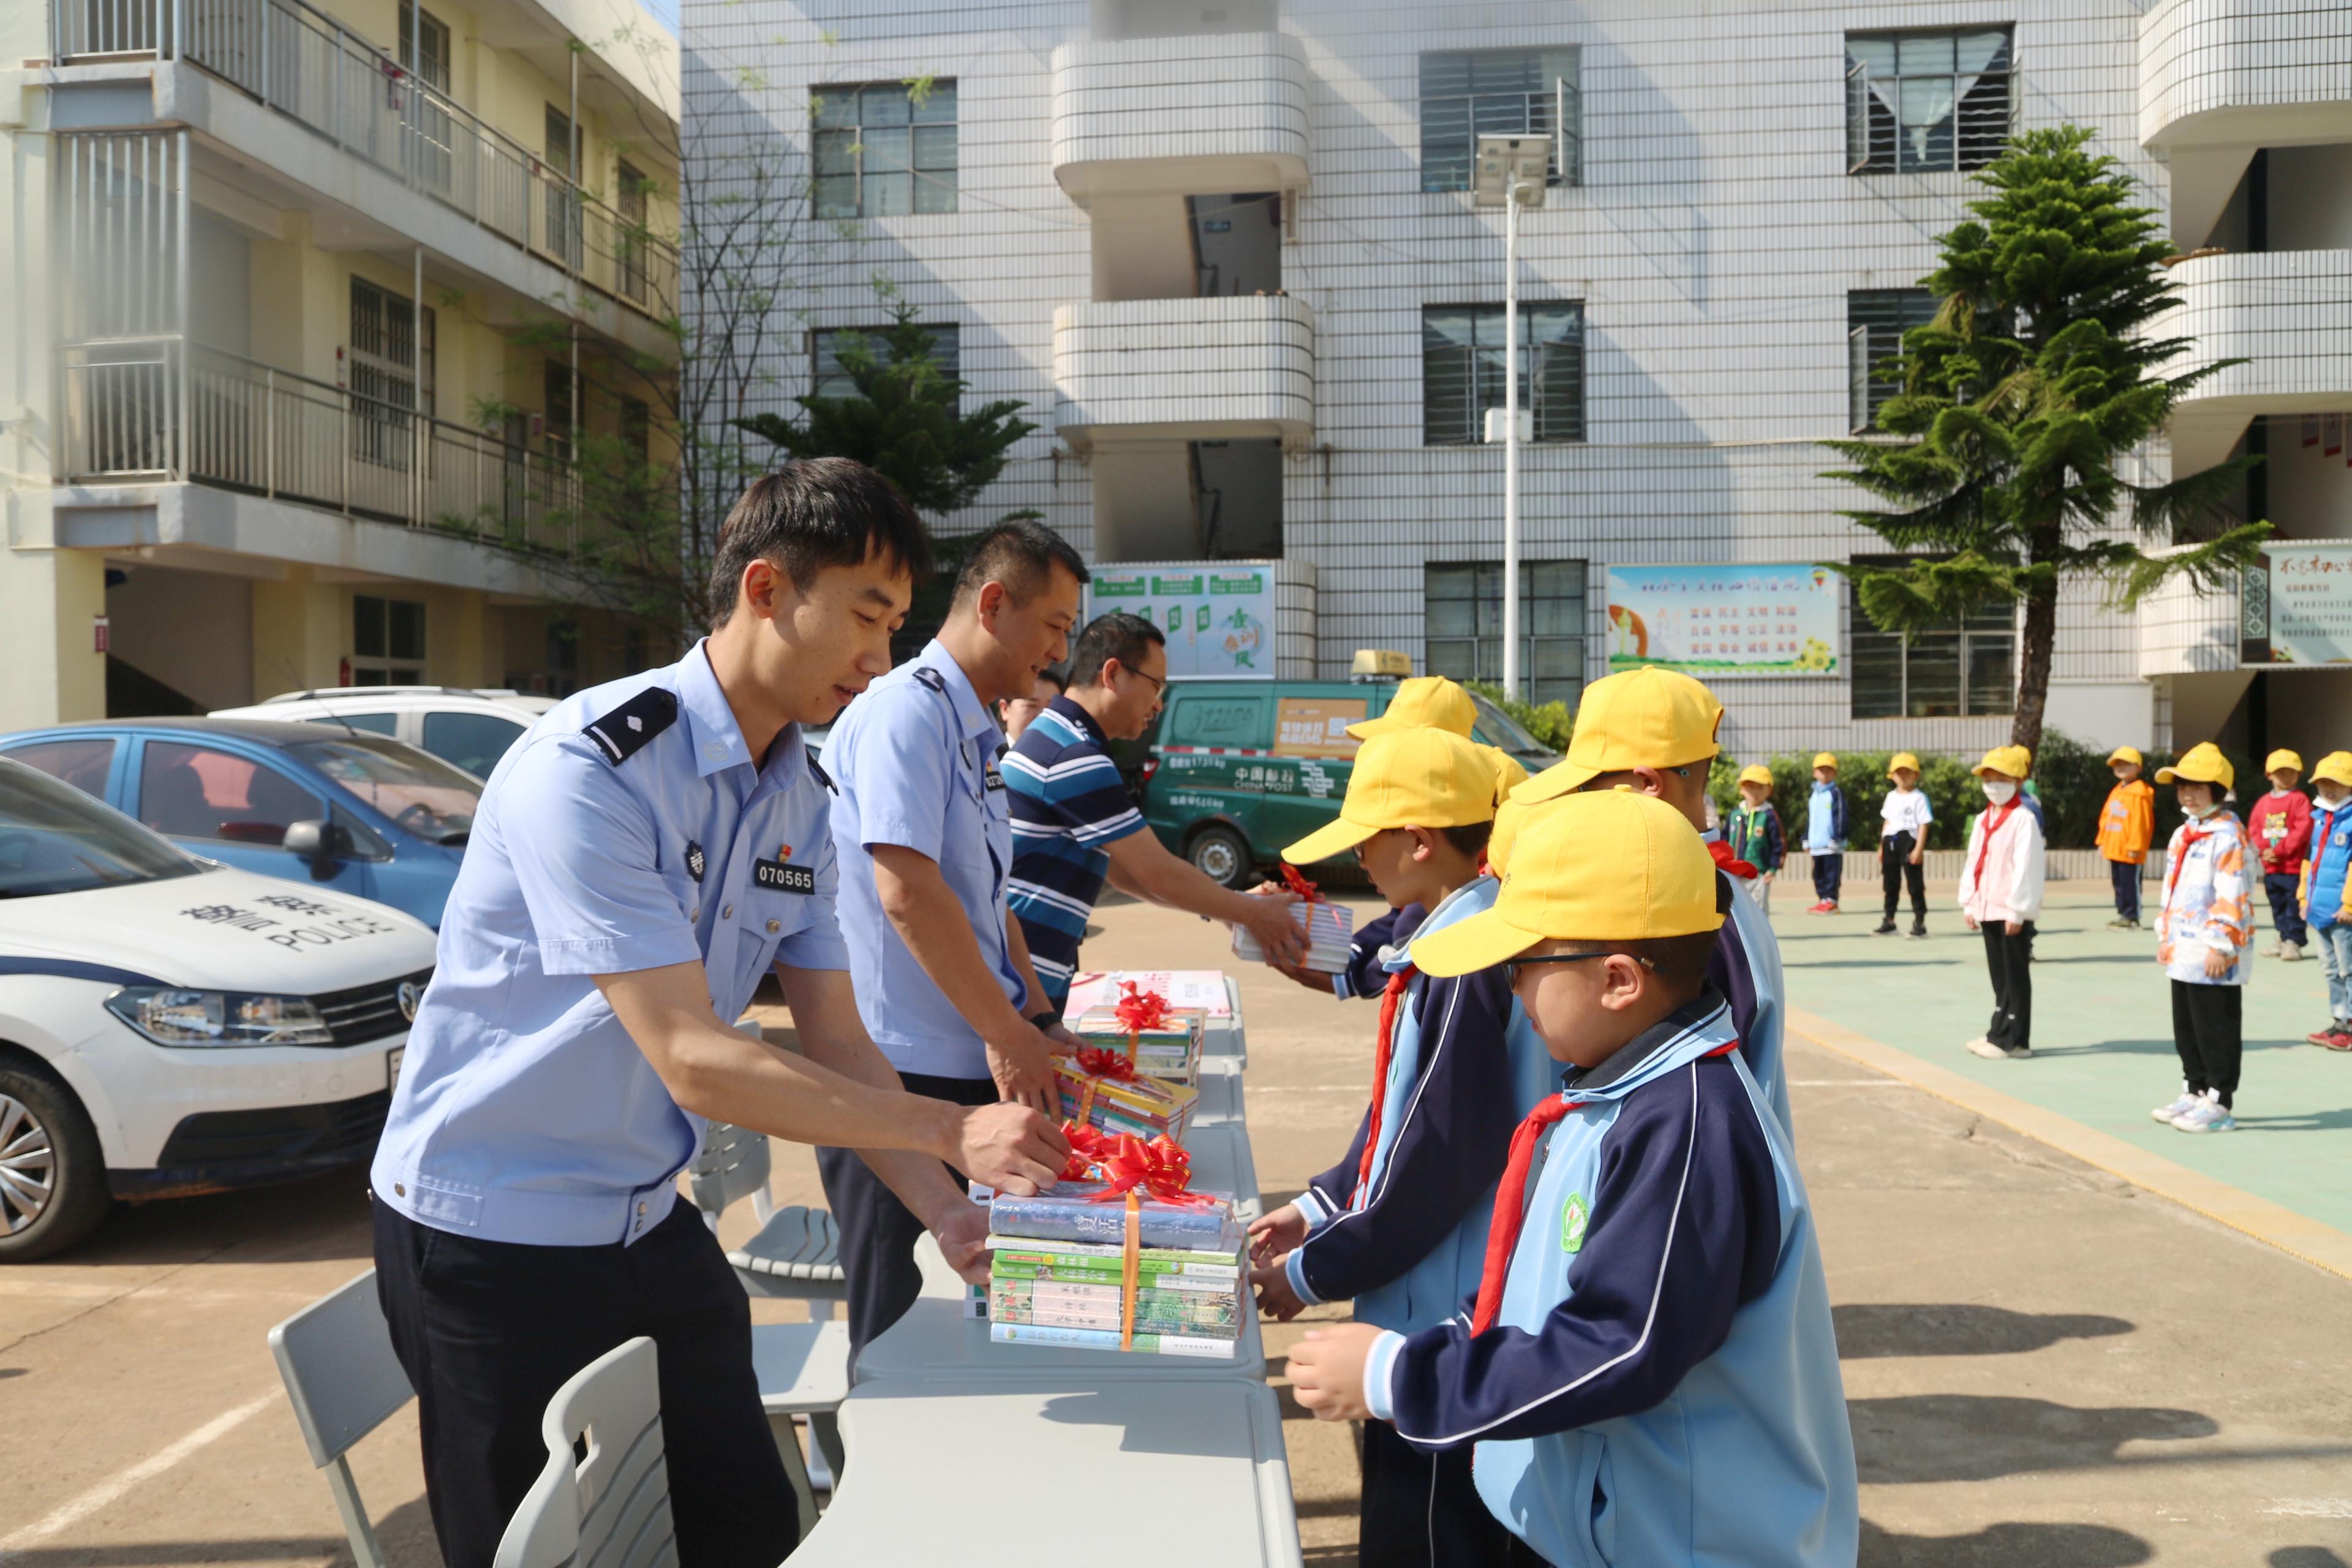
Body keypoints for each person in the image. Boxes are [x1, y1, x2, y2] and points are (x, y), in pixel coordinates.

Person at [367, 462, 1068, 1568]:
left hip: (644, 1214)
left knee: (744, 1519)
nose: (880, 658)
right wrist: (947, 1129)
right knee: (531, 1546)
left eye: (895, 625)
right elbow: (694, 1056)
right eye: (864, 618)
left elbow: (840, 1042)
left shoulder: (797, 789)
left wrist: (946, 1211)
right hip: (490, 1232)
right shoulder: (590, 773)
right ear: (766, 589)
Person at [1283, 788, 1858, 1568]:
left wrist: (1403, 1376)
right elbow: (1533, 1287)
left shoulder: (1688, 1125)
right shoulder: (1604, 1095)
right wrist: (1444, 1341)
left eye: (1523, 965)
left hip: (1676, 1543)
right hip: (1601, 1525)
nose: (1512, 991)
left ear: (1620, 979)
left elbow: (1622, 1343)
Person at [1242, 727, 1550, 1566]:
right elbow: (1399, 1117)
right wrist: (1317, 1210)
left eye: (1368, 840)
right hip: (1435, 1295)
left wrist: (1313, 1272)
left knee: (1428, 1533)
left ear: (1420, 841)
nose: (1361, 861)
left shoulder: (1465, 954)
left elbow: (1437, 1159)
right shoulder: (1452, 932)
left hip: (1445, 1312)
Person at [821, 518, 1093, 1360]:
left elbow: (985, 897)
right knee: (903, 1326)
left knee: (974, 1306)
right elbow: (908, 893)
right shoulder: (907, 714)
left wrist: (1039, 1020)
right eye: (1052, 626)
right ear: (993, 603)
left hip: (966, 1055)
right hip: (899, 1074)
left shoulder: (972, 729)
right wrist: (1004, 1031)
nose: (1057, 651)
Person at [1506, 666, 1793, 1139]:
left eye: (1584, 787)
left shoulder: (1688, 913)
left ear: (1646, 784)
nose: (1577, 805)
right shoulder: (1714, 891)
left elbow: (1691, 1106)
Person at [1005, 611, 1304, 1008]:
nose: (1159, 704)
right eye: (1155, 685)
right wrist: (1252, 913)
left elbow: (1128, 873)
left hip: (1021, 990)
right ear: (1112, 675)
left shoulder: (1058, 738)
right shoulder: (1072, 756)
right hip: (1013, 999)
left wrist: (1229, 907)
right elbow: (1158, 873)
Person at [2150, 743, 2255, 1133]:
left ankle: (2219, 1099)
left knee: (2216, 1026)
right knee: (2187, 1025)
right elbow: (2171, 889)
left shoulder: (2228, 836)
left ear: (2218, 790)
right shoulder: (2185, 833)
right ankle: (2193, 1088)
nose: (2187, 794)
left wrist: (2221, 944)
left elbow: (2233, 893)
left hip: (2214, 951)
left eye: (2196, 786)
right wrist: (2166, 933)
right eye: (2181, 787)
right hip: (2183, 946)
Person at [1957, 744, 2047, 1061]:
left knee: (2015, 973)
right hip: (1987, 906)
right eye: (1989, 779)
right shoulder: (1984, 819)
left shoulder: (2023, 820)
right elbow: (1973, 862)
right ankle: (1999, 1029)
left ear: (2018, 781)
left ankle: (2016, 1039)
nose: (1994, 786)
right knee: (1999, 973)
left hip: (2010, 910)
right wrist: (1969, 902)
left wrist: (2018, 910)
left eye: (2002, 779)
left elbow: (2027, 868)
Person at [2301, 752, 2352, 1050]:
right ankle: (2339, 1022)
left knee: (2349, 970)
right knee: (2331, 970)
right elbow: (2310, 860)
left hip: (2343, 912)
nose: (2329, 789)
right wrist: (2303, 898)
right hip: (2319, 909)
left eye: (2337, 783)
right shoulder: (2320, 818)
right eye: (2323, 782)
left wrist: (2349, 905)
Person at [2249, 748, 2312, 962]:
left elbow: (2302, 830)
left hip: (2293, 868)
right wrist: (2264, 851)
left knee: (2294, 906)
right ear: (2269, 775)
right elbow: (2255, 829)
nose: (2286, 777)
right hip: (2272, 868)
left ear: (2299, 774)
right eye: (2280, 772)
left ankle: (2294, 941)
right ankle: (2283, 937)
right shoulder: (2263, 803)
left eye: (2291, 772)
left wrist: (2279, 851)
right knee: (2277, 905)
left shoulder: (2300, 800)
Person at [2099, 745, 2156, 930]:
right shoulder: (2117, 792)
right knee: (2119, 883)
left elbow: (2141, 822)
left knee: (2130, 884)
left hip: (2130, 850)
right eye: (2117, 764)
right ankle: (2123, 914)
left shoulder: (2139, 794)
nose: (2121, 768)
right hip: (2115, 847)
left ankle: (2132, 916)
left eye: (2126, 764)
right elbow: (2106, 818)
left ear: (2139, 767)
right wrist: (2102, 841)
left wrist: (2136, 845)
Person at [1877, 752, 1932, 939]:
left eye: (1907, 772)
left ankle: (1920, 923)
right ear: (1892, 776)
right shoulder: (1891, 797)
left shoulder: (1919, 798)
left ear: (1916, 774)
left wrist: (1918, 849)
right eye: (1898, 772)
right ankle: (1889, 920)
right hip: (1890, 841)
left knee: (1915, 884)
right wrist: (1881, 847)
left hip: (1909, 841)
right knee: (1890, 883)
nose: (1903, 776)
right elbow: (1887, 822)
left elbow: (1924, 824)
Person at [1728, 763, 1785, 913]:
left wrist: (1773, 868)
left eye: (1760, 787)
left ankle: (1759, 936)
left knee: (1758, 909)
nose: (1754, 791)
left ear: (1769, 790)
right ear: (1741, 789)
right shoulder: (1735, 814)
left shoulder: (1769, 816)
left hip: (1759, 874)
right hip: (1734, 872)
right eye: (1749, 786)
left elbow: (1778, 844)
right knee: (1735, 909)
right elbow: (1724, 838)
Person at [1804, 752, 1848, 913]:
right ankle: (1822, 899)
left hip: (1831, 844)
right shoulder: (1814, 794)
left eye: (1828, 770)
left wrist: (1838, 836)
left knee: (1832, 873)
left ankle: (1832, 900)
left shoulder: (1835, 793)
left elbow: (1842, 816)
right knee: (1818, 873)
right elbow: (1811, 818)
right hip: (1816, 844)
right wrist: (1806, 839)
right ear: (1814, 772)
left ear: (1834, 773)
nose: (1824, 774)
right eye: (1821, 770)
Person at [997, 667, 1064, 743]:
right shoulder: (986, 753)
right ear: (1005, 709)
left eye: (1051, 707)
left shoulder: (1070, 753)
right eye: (1032, 705)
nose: (1042, 715)